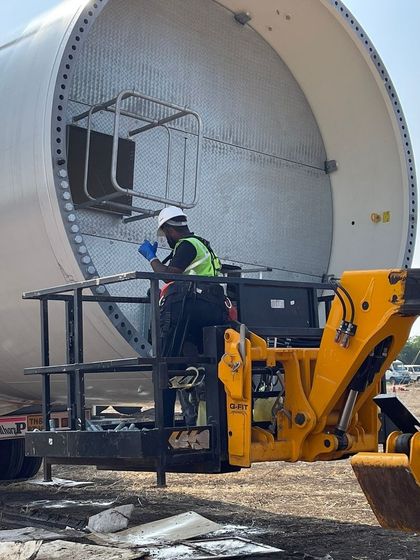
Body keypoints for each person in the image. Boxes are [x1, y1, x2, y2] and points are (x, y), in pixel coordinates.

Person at [138, 206, 227, 426]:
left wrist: (151, 258)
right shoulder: (202, 244)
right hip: (211, 309)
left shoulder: (186, 245)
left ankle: (164, 427)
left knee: (165, 365)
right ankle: (203, 418)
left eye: (165, 233)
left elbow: (170, 275)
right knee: (201, 365)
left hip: (190, 307)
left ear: (169, 229)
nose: (166, 237)